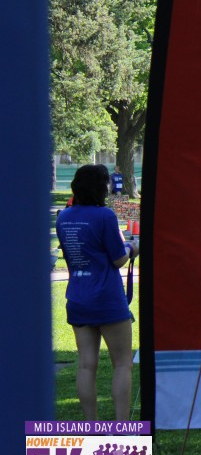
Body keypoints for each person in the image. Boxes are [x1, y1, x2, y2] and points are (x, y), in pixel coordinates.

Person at [55, 164, 136, 420]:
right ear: (101, 187)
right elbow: (118, 259)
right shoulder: (105, 216)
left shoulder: (63, 217)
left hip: (78, 297)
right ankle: (121, 426)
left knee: (86, 365)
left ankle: (92, 425)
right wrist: (132, 248)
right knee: (122, 364)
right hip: (107, 298)